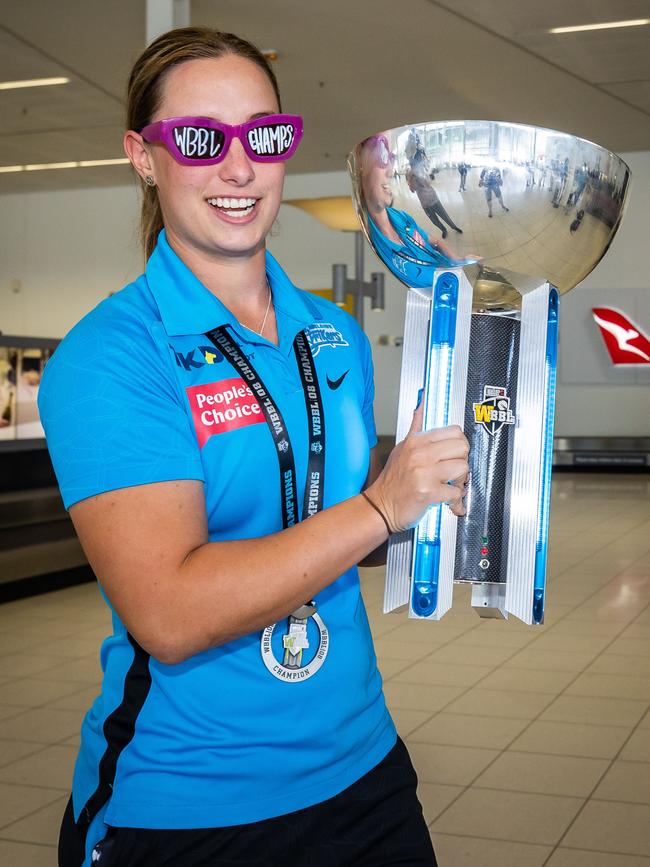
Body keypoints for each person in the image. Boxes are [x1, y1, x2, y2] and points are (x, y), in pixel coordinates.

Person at [38, 27, 470, 867]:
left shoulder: (332, 334)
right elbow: (168, 611)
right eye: (202, 138)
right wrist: (383, 505)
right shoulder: (113, 355)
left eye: (263, 136)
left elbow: (323, 528)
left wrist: (447, 503)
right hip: (192, 796)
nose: (239, 167)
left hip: (363, 765)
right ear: (143, 155)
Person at [356, 134, 473, 290]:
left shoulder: (401, 217)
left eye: (392, 158)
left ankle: (453, 227)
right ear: (359, 159)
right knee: (437, 221)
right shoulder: (371, 242)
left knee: (445, 216)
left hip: (433, 198)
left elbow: (435, 242)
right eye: (383, 152)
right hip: (425, 204)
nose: (391, 171)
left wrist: (458, 260)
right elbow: (411, 189)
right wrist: (413, 178)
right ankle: (445, 228)